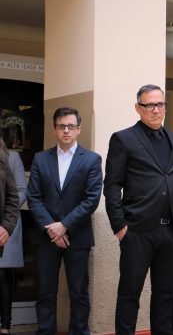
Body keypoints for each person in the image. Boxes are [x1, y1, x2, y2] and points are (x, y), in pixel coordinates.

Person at [103, 84, 173, 335]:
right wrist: (120, 226)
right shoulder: (123, 139)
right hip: (137, 230)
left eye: (160, 104)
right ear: (138, 108)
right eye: (149, 105)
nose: (156, 110)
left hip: (172, 230)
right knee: (130, 293)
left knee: (166, 295)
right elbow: (112, 185)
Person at [26, 107, 102, 335]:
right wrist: (52, 229)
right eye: (61, 126)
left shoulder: (91, 160)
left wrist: (64, 225)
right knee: (45, 292)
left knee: (79, 293)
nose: (66, 130)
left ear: (79, 129)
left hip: (77, 236)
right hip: (46, 237)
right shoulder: (41, 158)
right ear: (54, 129)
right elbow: (33, 197)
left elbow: (91, 199)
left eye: (71, 126)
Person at [0, 138, 25, 335]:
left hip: (6, 226)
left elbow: (20, 191)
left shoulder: (11, 157)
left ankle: (5, 326)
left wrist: (5, 224)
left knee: (3, 277)